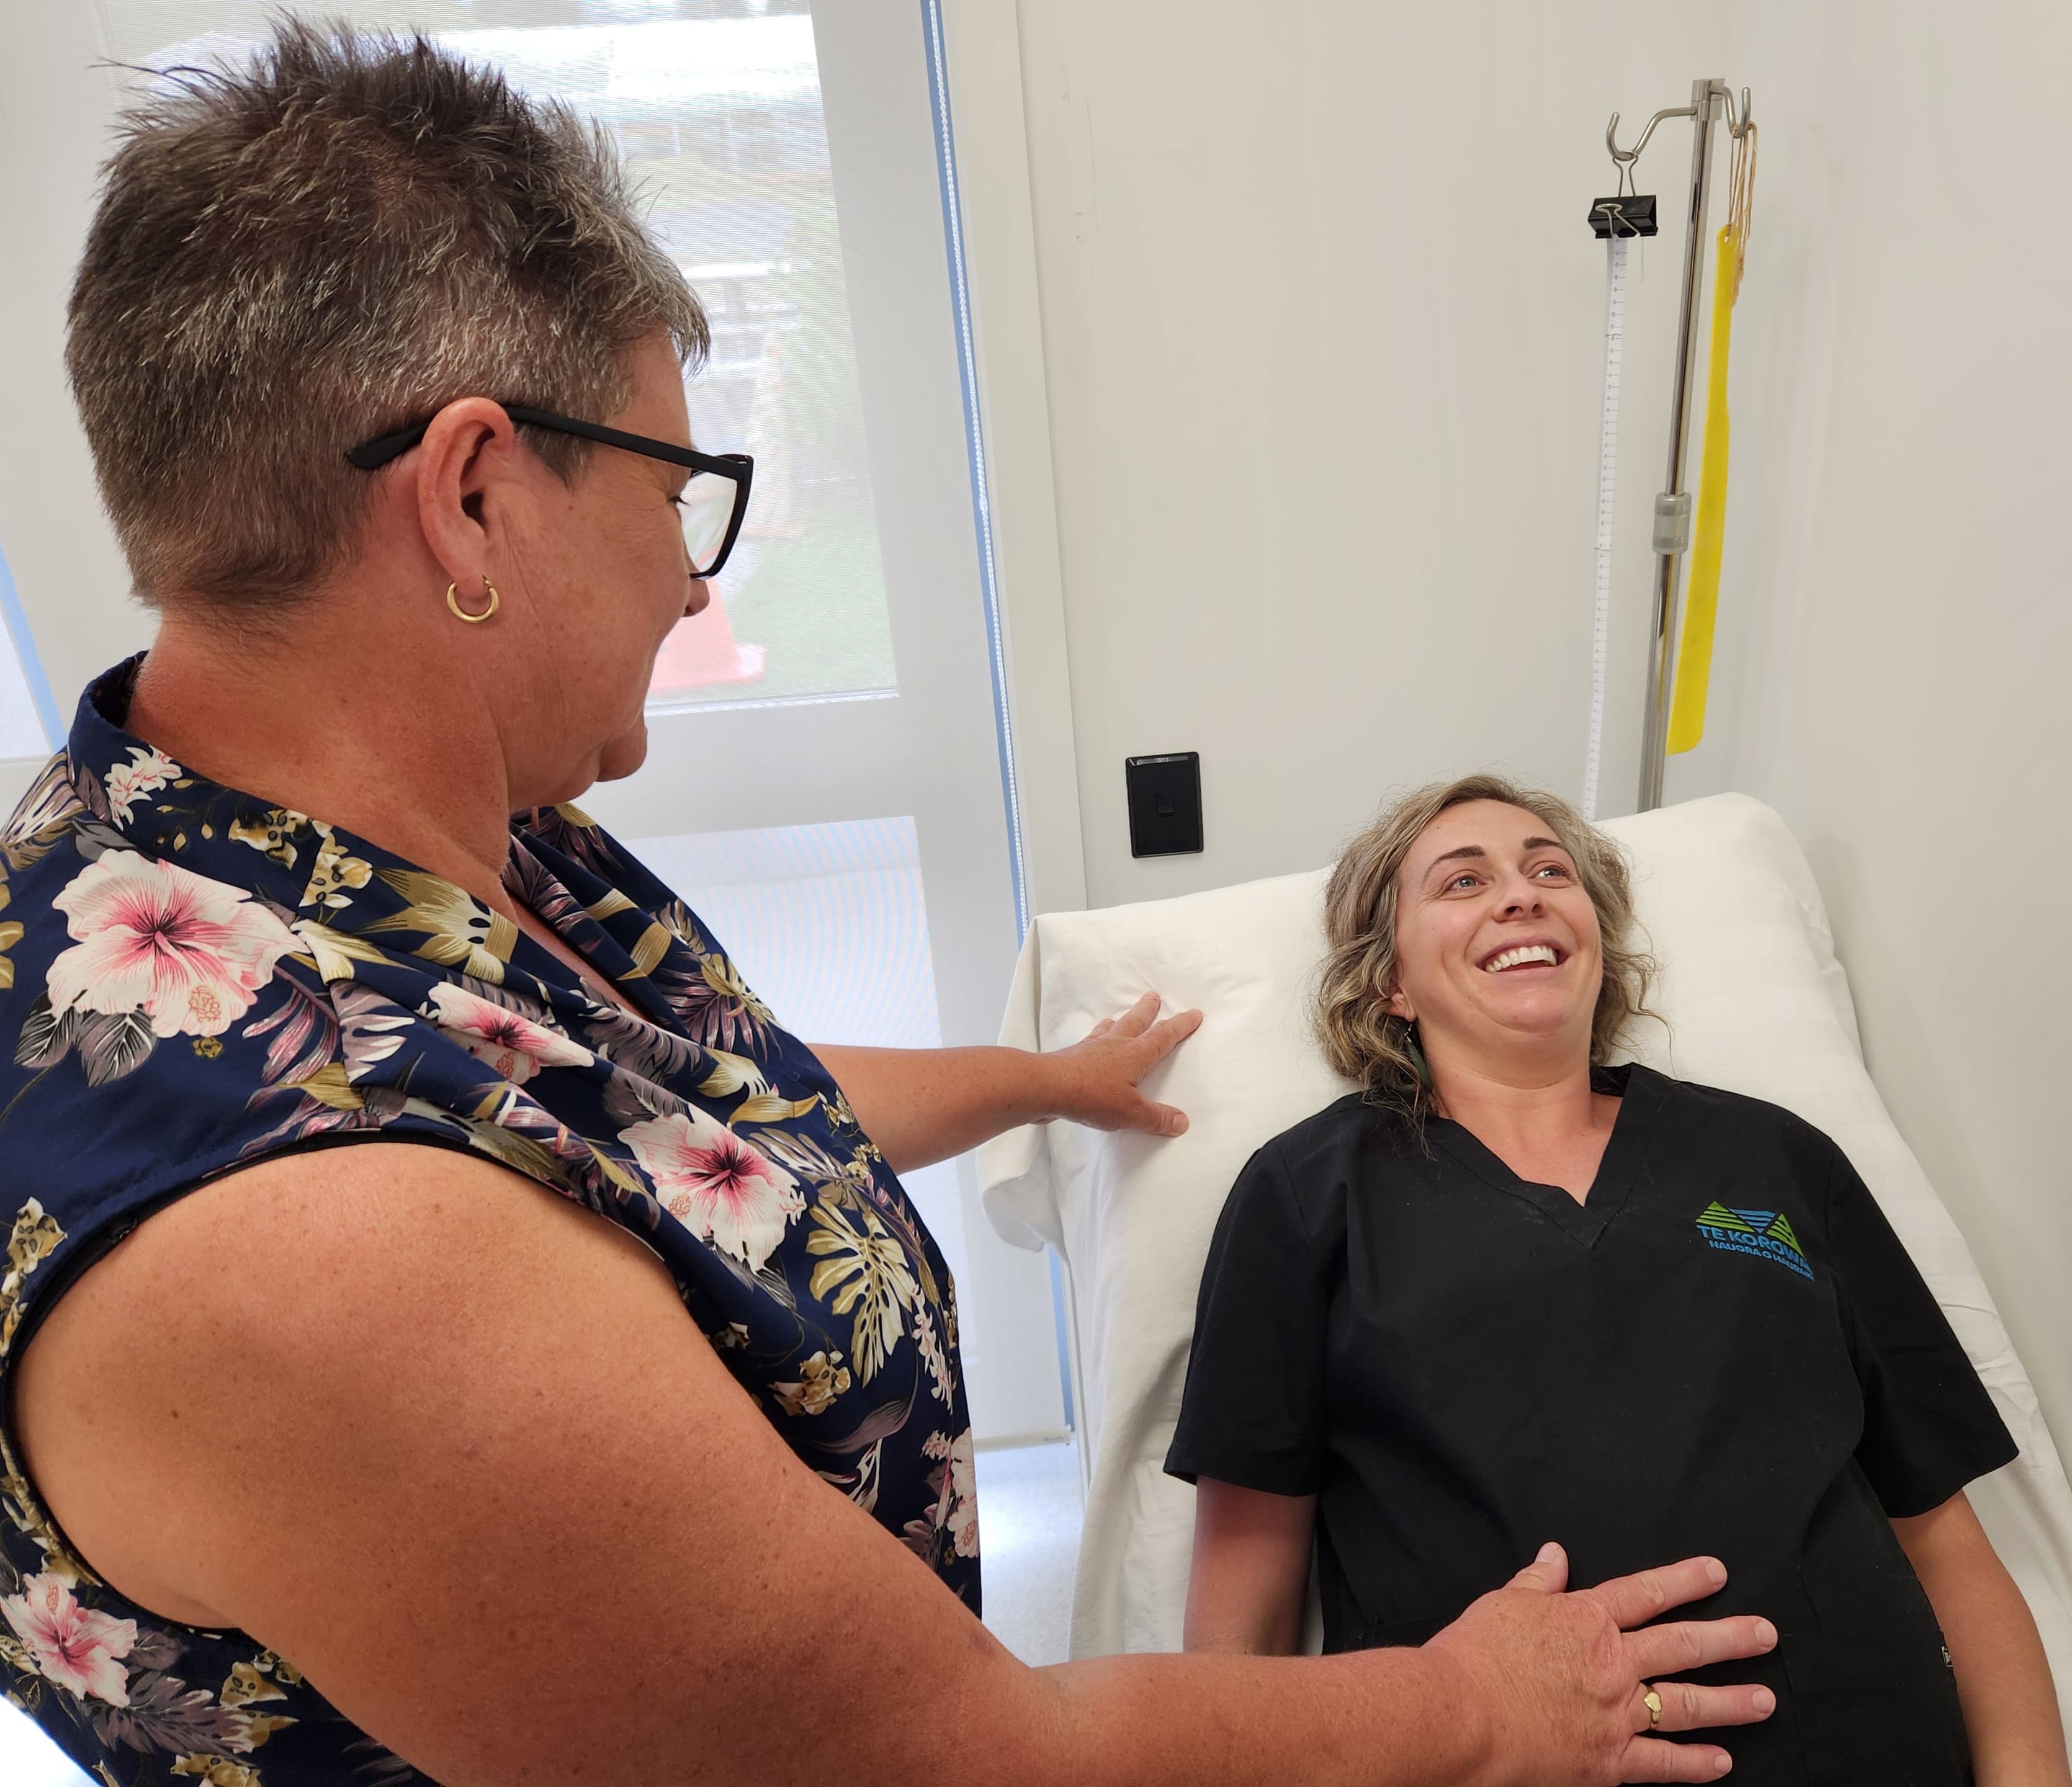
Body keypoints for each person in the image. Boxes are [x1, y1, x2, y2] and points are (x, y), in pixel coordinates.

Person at [0, 27, 1778, 1786]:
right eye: (680, 494)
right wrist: (1478, 1709)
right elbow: (956, 1757)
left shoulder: (351, 835)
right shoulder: (326, 1259)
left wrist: (1038, 1082)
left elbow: (662, 1126)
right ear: (472, 499)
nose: (693, 589)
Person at [1167, 776, 2072, 1786]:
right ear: (1391, 983)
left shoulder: (1774, 1157)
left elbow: (1946, 1540)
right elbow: (1240, 1624)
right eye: (1463, 882)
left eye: (1550, 871)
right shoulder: (1309, 1196)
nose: (1521, 895)